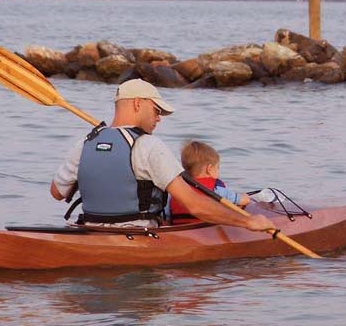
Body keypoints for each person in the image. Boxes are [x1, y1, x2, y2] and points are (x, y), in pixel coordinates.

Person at [50, 78, 274, 232]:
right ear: (138, 103)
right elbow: (194, 205)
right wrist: (247, 222)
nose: (159, 118)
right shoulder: (148, 146)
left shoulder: (85, 143)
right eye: (157, 110)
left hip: (89, 232)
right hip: (139, 238)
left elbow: (56, 193)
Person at [168, 140, 251, 224]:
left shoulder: (176, 191)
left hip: (180, 229)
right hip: (205, 228)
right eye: (217, 167)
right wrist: (245, 197)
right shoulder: (217, 190)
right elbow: (244, 200)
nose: (218, 171)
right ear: (209, 169)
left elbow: (168, 215)